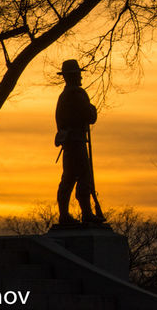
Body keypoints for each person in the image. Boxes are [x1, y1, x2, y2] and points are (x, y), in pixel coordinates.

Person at [55, 59, 101, 224]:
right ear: (74, 76)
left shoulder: (63, 96)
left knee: (68, 178)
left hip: (68, 143)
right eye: (78, 74)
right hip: (77, 141)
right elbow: (90, 116)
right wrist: (92, 109)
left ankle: (64, 214)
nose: (81, 77)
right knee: (84, 176)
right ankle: (87, 213)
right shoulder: (77, 94)